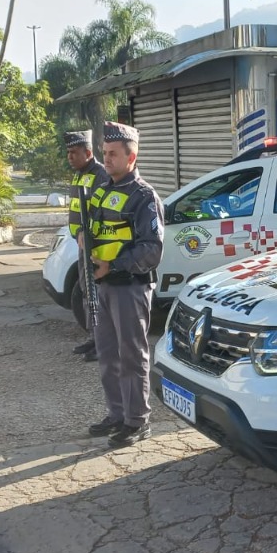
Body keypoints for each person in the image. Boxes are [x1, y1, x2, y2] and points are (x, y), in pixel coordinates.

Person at [86, 121, 164, 449]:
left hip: (130, 286)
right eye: (105, 153)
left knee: (132, 355)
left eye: (114, 154)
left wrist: (113, 265)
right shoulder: (104, 190)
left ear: (131, 158)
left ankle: (137, 420)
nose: (107, 159)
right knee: (107, 353)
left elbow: (152, 249)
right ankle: (117, 414)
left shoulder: (144, 196)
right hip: (105, 286)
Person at [64, 130, 108, 362]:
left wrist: (86, 232)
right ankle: (94, 337)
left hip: (97, 246)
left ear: (88, 152)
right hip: (82, 244)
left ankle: (102, 343)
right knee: (86, 290)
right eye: (68, 153)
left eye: (74, 152)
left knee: (96, 292)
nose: (69, 157)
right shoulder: (80, 175)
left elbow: (102, 212)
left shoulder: (100, 174)